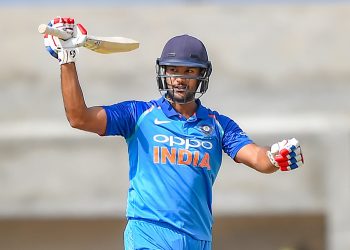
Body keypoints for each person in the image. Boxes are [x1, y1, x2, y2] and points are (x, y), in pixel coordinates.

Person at [43, 17, 304, 250]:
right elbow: (79, 118)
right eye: (173, 70)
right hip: (149, 233)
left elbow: (259, 159)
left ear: (202, 75)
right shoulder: (138, 115)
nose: (179, 78)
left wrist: (275, 157)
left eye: (188, 71)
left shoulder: (218, 125)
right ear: (163, 73)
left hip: (198, 238)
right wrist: (68, 60)